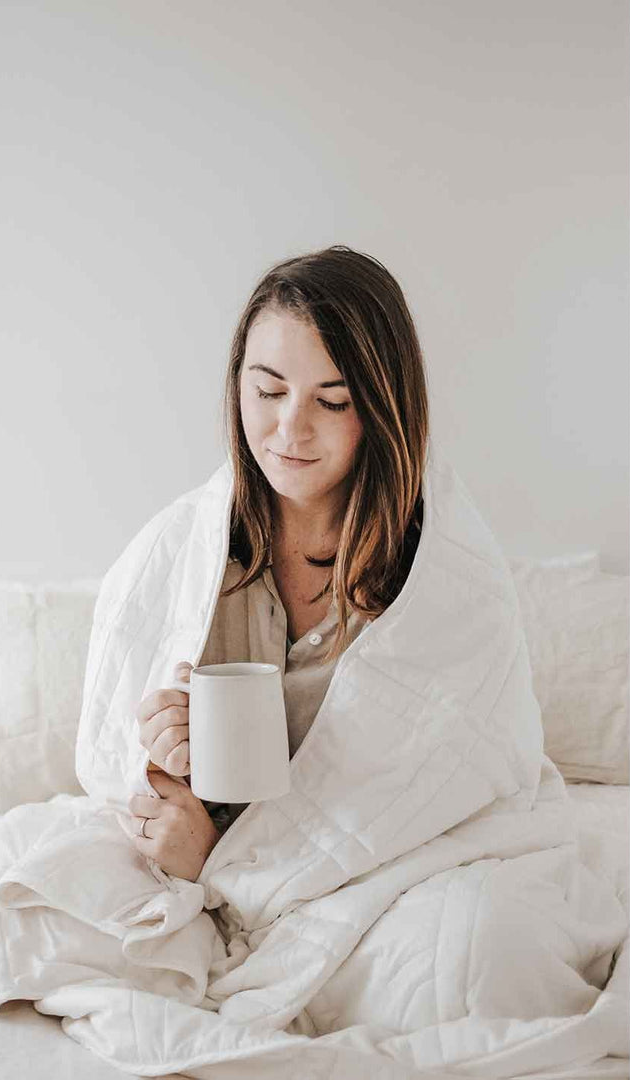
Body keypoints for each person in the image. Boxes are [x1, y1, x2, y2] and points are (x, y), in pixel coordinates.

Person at [124, 245, 428, 883]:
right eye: (269, 390)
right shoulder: (186, 549)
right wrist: (164, 759)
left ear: (382, 412)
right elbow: (112, 759)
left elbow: (445, 779)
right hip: (202, 851)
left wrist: (222, 865)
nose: (291, 429)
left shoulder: (436, 568)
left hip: (379, 865)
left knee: (477, 940)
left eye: (335, 401)